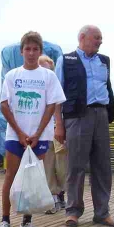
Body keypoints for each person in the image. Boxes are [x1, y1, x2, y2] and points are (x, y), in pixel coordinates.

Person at [0, 31, 66, 227]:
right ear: (21, 51)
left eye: (35, 49)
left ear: (40, 51)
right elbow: (4, 105)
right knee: (10, 176)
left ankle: (26, 224)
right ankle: (5, 222)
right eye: (27, 49)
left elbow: (51, 105)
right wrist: (19, 132)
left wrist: (37, 133)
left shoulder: (48, 76)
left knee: (33, 179)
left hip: (40, 137)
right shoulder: (12, 76)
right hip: (15, 136)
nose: (31, 52)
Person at [55, 25, 114, 227]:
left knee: (102, 165)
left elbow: (107, 87)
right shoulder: (66, 60)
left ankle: (102, 212)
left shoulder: (104, 61)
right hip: (77, 116)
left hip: (101, 113)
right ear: (83, 37)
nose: (100, 41)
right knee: (76, 165)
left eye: (101, 38)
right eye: (97, 38)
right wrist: (59, 124)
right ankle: (73, 211)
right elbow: (56, 95)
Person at [38, 55, 68, 214]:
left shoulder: (57, 85)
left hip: (58, 128)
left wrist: (60, 125)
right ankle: (53, 196)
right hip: (42, 131)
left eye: (48, 69)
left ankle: (62, 192)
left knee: (62, 164)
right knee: (47, 165)